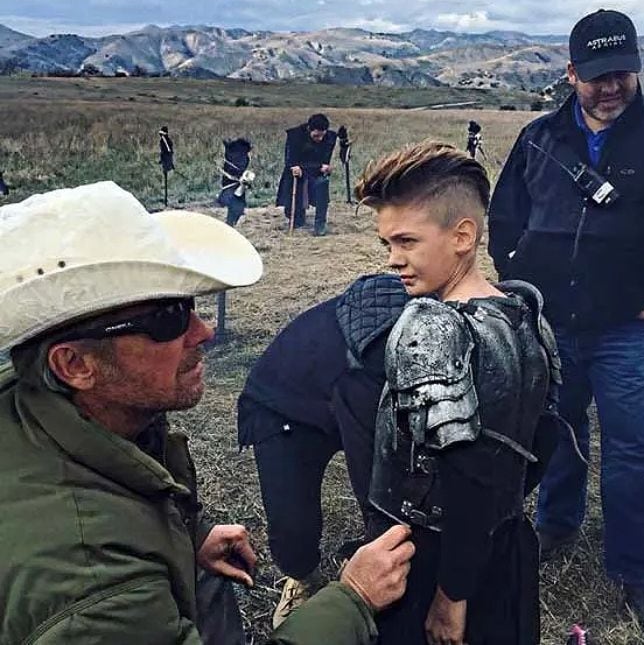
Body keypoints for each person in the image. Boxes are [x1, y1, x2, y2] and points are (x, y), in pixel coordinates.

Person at [0, 181, 414, 645]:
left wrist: (182, 539)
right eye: (167, 320)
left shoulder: (40, 414)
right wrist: (352, 599)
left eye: (189, 306)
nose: (205, 331)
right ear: (74, 365)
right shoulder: (93, 590)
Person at [488, 9, 644, 634]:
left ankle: (637, 572)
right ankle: (556, 526)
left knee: (633, 448)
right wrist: (521, 282)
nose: (611, 88)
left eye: (623, 74)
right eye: (598, 76)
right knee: (556, 429)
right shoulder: (539, 138)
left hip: (628, 329)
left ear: (637, 70)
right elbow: (505, 218)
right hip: (551, 322)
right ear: (572, 72)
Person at [355, 141, 559, 645]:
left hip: (430, 560)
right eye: (387, 244)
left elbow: (466, 473)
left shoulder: (430, 325)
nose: (393, 259)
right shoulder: (525, 311)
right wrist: (496, 517)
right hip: (502, 542)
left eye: (406, 241)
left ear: (463, 235)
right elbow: (544, 440)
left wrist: (451, 594)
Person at [237, 273, 410, 627]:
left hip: (333, 395)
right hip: (281, 407)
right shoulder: (368, 364)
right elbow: (374, 474)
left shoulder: (429, 323)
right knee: (292, 526)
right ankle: (301, 579)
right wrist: (385, 546)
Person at [276, 113, 337, 236]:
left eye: (322, 136)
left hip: (316, 173)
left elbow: (326, 159)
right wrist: (294, 166)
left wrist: (327, 167)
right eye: (316, 136)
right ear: (309, 129)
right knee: (295, 216)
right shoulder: (295, 135)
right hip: (297, 173)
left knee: (322, 184)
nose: (319, 139)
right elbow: (290, 159)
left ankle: (320, 224)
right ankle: (297, 218)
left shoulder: (329, 138)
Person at [218, 138, 254, 226]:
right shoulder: (237, 154)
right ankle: (230, 222)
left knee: (236, 204)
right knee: (235, 203)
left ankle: (231, 221)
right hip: (232, 182)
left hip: (235, 182)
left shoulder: (241, 154)